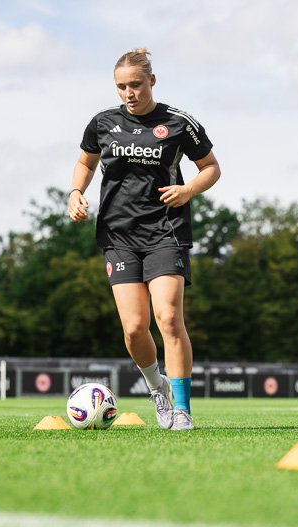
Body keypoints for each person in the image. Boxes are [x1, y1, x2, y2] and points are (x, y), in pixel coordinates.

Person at [68, 48, 221, 431]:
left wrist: (187, 191)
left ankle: (183, 409)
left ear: (151, 81)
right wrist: (75, 192)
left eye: (135, 85)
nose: (128, 93)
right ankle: (158, 388)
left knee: (168, 317)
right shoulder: (102, 123)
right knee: (134, 328)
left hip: (166, 232)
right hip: (118, 235)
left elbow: (211, 168)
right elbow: (86, 162)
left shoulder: (178, 122)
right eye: (121, 87)